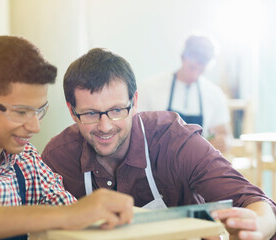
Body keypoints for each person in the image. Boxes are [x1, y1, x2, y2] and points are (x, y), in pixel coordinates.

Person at [41, 48, 276, 239]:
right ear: (72, 111)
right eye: (91, 114)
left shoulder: (175, 140)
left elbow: (255, 202)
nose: (105, 126)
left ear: (134, 102)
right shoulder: (59, 157)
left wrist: (255, 228)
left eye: (116, 110)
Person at [0, 36, 134, 240]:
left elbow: (68, 211)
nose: (35, 127)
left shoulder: (26, 160)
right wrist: (69, 215)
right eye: (21, 112)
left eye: (39, 111)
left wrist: (94, 215)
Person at [138, 35, 231, 154]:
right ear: (183, 57)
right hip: (159, 165)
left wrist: (223, 142)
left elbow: (224, 135)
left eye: (201, 67)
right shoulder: (149, 88)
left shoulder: (215, 94)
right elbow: (136, 131)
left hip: (198, 166)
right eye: (192, 65)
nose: (196, 69)